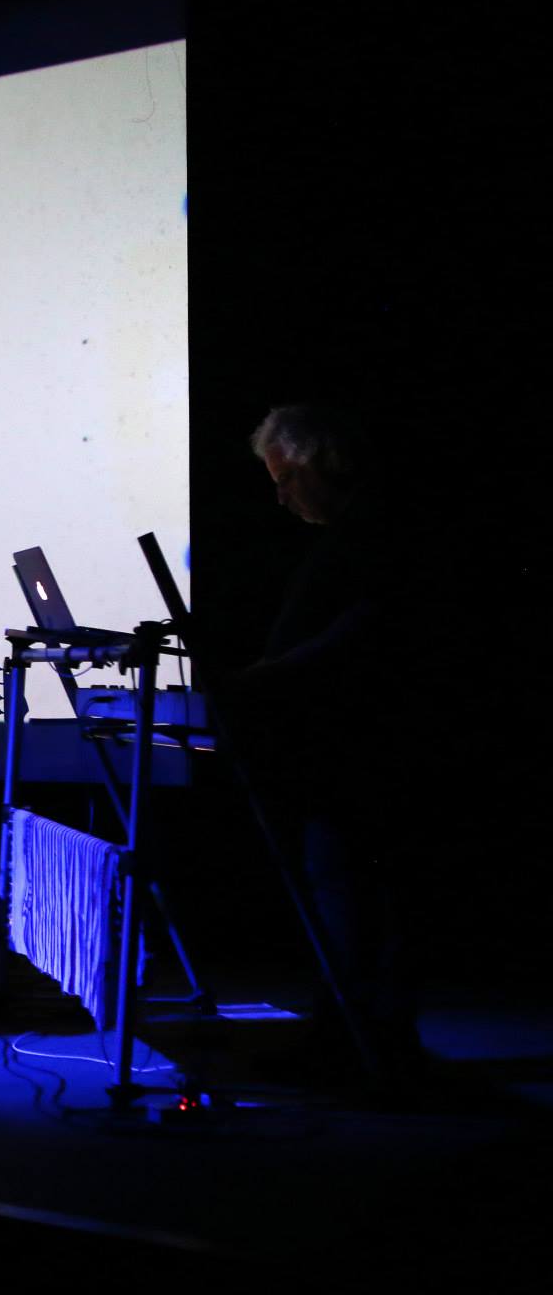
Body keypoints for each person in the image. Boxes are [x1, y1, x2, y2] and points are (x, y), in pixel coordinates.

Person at [224, 402, 420, 1083]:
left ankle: (366, 1047)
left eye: (286, 479)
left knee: (359, 899)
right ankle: (352, 1038)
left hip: (363, 754)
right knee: (344, 896)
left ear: (321, 464)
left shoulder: (377, 532)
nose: (281, 498)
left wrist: (269, 676)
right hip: (336, 752)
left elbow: (365, 629)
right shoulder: (352, 532)